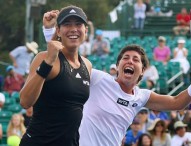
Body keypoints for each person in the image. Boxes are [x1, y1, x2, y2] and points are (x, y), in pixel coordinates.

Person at [43, 14, 191, 146]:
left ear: (143, 70)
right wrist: (50, 32)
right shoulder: (98, 78)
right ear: (118, 65)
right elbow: (65, 61)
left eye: (136, 60)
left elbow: (177, 102)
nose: (130, 62)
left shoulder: (142, 96)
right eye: (125, 58)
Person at [19, 5, 92, 146]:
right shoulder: (44, 58)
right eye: (67, 24)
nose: (73, 29)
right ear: (58, 30)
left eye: (78, 24)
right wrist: (48, 62)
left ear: (85, 30)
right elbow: (25, 101)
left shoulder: (87, 65)